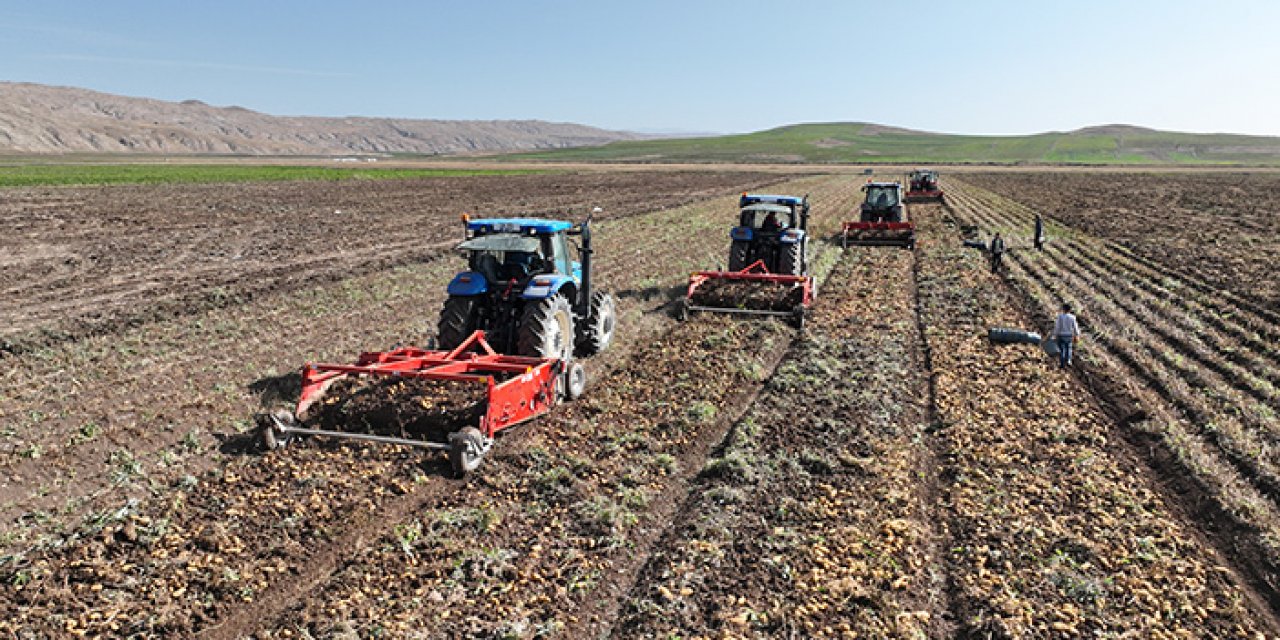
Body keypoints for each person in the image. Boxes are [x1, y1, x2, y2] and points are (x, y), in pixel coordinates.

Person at [1054, 302, 1081, 368]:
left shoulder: (1060, 316)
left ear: (1063, 309)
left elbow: (1057, 326)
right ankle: (1068, 360)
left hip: (1061, 335)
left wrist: (1055, 334)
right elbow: (1075, 327)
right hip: (1069, 335)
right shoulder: (1072, 317)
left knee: (1062, 349)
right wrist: (1077, 334)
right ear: (1070, 310)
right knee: (1069, 348)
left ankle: (1062, 363)